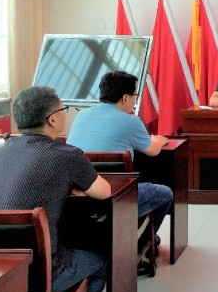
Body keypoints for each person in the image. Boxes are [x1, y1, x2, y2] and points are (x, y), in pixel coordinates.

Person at [0, 86, 111, 292]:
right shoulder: (68, 155)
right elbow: (104, 191)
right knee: (100, 263)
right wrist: (71, 186)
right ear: (52, 119)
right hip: (42, 274)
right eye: (63, 110)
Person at [67, 71, 173, 273]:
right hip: (117, 198)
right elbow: (152, 150)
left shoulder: (82, 116)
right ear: (125, 98)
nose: (134, 100)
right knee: (165, 194)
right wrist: (159, 140)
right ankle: (141, 242)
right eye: (135, 96)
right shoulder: (130, 121)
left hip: (79, 199)